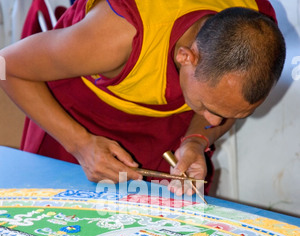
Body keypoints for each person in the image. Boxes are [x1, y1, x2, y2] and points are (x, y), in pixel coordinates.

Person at [0, 0, 286, 196]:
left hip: (168, 132)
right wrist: (81, 144)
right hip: (82, 119)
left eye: (231, 115)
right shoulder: (116, 35)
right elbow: (7, 66)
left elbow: (222, 106)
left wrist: (196, 140)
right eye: (208, 109)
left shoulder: (255, 30)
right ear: (185, 57)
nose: (213, 122)